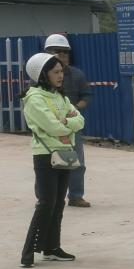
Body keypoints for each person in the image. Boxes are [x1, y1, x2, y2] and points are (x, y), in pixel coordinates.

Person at [20, 52, 84, 267]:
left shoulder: (60, 97)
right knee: (46, 203)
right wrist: (66, 123)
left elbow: (80, 121)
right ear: (42, 74)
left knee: (58, 203)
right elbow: (52, 126)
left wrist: (64, 122)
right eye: (56, 72)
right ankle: (27, 253)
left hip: (64, 153)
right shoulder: (35, 98)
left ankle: (51, 248)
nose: (61, 75)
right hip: (45, 155)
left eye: (61, 71)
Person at [42, 34, 92, 207]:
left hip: (71, 127)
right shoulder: (40, 78)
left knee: (77, 162)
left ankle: (76, 196)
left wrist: (75, 109)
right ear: (47, 53)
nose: (62, 55)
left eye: (65, 51)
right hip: (49, 127)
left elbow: (86, 96)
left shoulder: (77, 75)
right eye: (57, 51)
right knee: (47, 163)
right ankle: (45, 198)